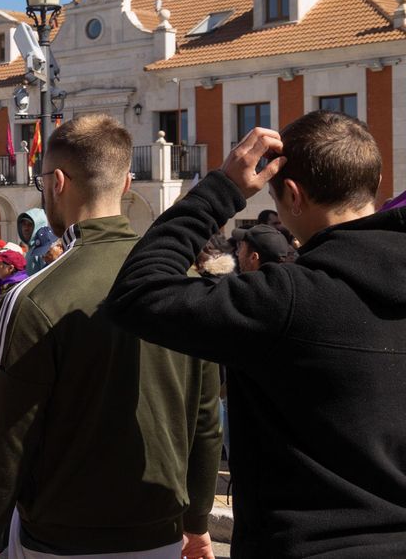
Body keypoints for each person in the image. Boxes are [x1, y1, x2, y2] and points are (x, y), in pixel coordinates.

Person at [107, 112, 406, 556]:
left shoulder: (286, 298)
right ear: (375, 180)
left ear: (292, 195)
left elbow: (137, 293)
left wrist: (222, 190)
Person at [0, 114, 220, 559]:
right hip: (160, 529)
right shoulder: (184, 279)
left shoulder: (33, 296)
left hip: (62, 538)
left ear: (57, 182)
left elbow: (5, 441)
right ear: (125, 183)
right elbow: (205, 418)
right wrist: (197, 522)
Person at [15, 208, 51, 274]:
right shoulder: (32, 249)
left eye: (30, 224)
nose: (26, 228)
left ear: (39, 226)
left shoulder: (44, 249)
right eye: (24, 224)